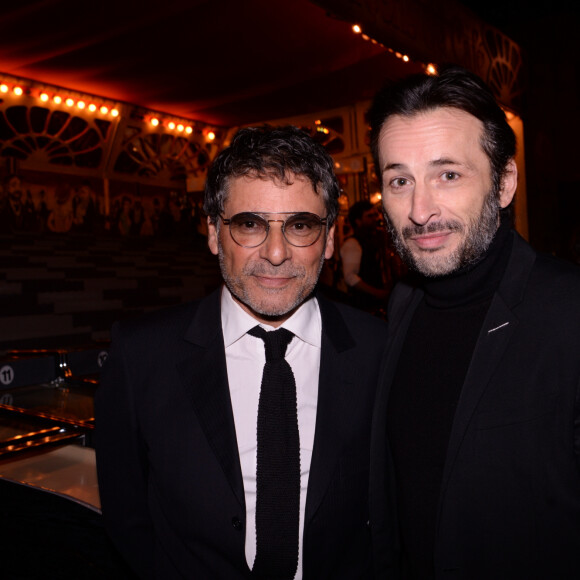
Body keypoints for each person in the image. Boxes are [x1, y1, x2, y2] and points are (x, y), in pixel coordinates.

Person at [96, 125, 389, 579]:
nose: (275, 253)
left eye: (300, 225)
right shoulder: (140, 356)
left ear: (329, 240)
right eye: (250, 225)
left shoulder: (379, 351)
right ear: (214, 233)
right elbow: (126, 516)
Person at [368, 65, 580, 579]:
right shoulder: (402, 304)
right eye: (400, 180)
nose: (420, 211)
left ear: (504, 182)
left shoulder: (568, 311)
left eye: (448, 175)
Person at [340, 200, 388, 312]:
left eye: (375, 215)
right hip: (362, 306)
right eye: (369, 216)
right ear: (358, 221)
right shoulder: (352, 244)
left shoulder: (372, 240)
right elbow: (350, 277)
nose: (374, 219)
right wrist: (377, 293)